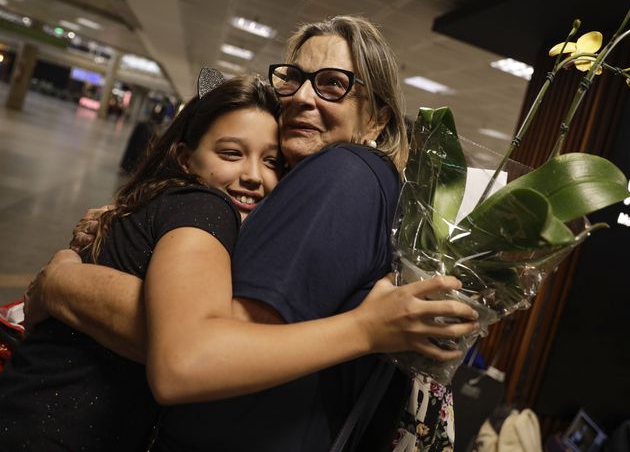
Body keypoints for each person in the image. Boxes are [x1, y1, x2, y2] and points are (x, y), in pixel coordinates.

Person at [0, 66, 476, 451]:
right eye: (230, 153)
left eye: (271, 163)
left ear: (378, 120)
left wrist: (63, 283)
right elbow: (189, 352)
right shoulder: (205, 208)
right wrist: (365, 330)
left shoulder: (210, 209)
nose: (251, 176)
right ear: (186, 157)